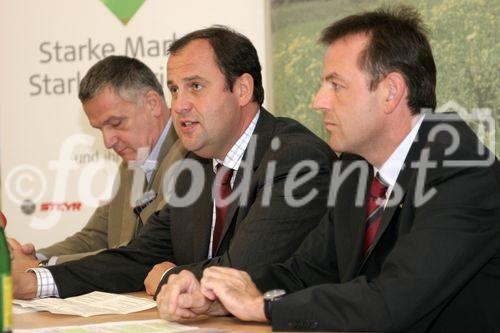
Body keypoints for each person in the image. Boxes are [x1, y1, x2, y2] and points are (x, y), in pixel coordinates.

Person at [156, 7, 500, 332]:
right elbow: (304, 272)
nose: (318, 100)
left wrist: (264, 308)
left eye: (336, 85)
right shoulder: (356, 168)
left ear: (391, 92)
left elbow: (391, 301)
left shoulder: (463, 171)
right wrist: (218, 299)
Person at [12, 26, 335, 300]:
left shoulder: (294, 159)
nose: (179, 105)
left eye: (195, 86)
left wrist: (169, 276)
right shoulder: (193, 169)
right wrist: (34, 281)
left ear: (242, 89)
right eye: (174, 90)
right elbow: (140, 256)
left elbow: (242, 272)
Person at [9, 55, 185, 269]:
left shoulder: (191, 157)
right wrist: (36, 256)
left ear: (152, 103)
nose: (108, 141)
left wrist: (40, 266)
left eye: (116, 123)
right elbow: (94, 237)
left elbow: (144, 253)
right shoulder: (130, 162)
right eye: (101, 129)